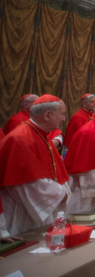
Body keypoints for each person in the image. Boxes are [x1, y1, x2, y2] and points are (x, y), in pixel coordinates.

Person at [0, 95, 69, 236]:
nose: (63, 119)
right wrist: (62, 192)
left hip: (42, 209)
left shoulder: (41, 135)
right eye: (62, 114)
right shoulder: (20, 139)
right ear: (47, 115)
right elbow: (28, 184)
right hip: (25, 213)